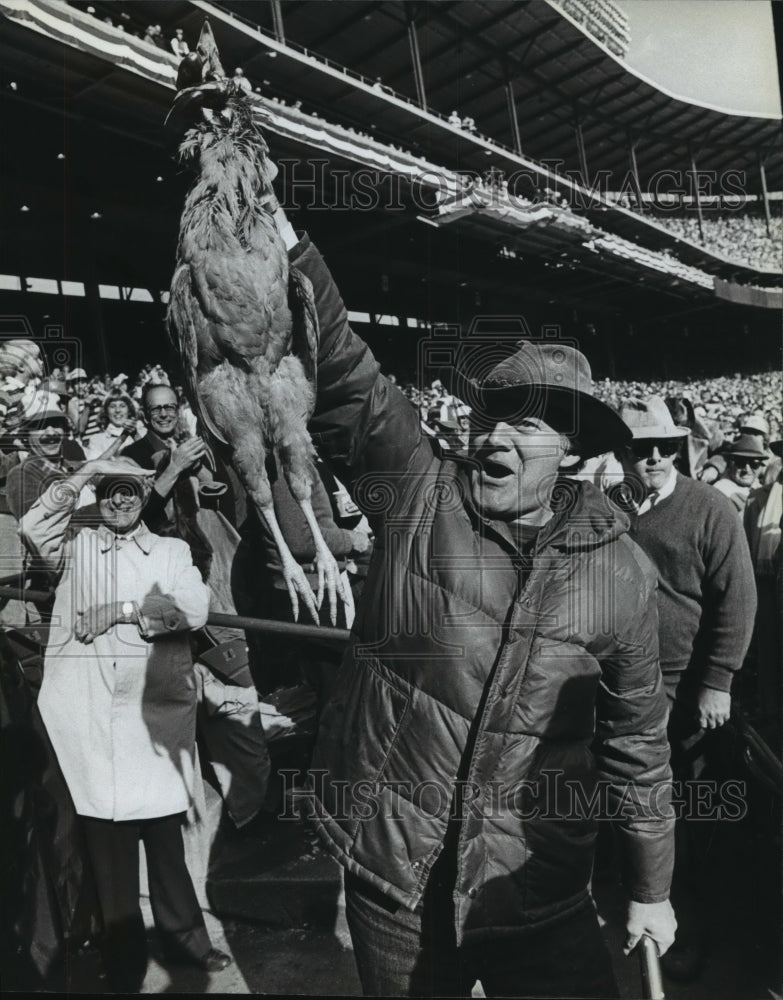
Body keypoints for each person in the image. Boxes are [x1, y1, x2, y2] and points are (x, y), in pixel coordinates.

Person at [271, 210, 676, 997]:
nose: (496, 438)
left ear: (573, 452)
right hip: (397, 871)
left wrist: (651, 888)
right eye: (491, 415)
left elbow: (637, 744)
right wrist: (286, 240)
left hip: (535, 881)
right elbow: (347, 381)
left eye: (526, 424)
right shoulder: (415, 490)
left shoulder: (623, 573)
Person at [20, 456, 232, 991]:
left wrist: (120, 610)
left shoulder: (170, 550)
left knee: (165, 841)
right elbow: (31, 525)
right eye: (109, 491)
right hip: (88, 719)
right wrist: (87, 471)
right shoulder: (75, 546)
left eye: (129, 491)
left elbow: (193, 606)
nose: (118, 500)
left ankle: (188, 941)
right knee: (108, 849)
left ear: (144, 497)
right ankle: (124, 954)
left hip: (152, 719)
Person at [618, 395, 756, 983]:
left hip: (688, 691)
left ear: (679, 449)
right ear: (623, 452)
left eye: (663, 448)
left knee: (692, 818)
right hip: (625, 688)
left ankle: (691, 933)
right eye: (640, 447)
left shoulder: (710, 508)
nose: (652, 458)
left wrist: (718, 681)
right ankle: (637, 917)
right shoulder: (608, 510)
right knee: (635, 810)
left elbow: (738, 599)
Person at [712, 433, 768, 513]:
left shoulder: (757, 485)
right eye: (740, 463)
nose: (747, 470)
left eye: (754, 464)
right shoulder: (722, 491)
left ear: (760, 466)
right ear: (730, 464)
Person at [84, 391, 139, 460]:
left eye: (122, 406)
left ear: (129, 410)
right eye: (112, 406)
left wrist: (136, 435)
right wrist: (122, 438)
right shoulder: (96, 439)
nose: (118, 410)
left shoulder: (141, 433)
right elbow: (93, 466)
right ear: (106, 412)